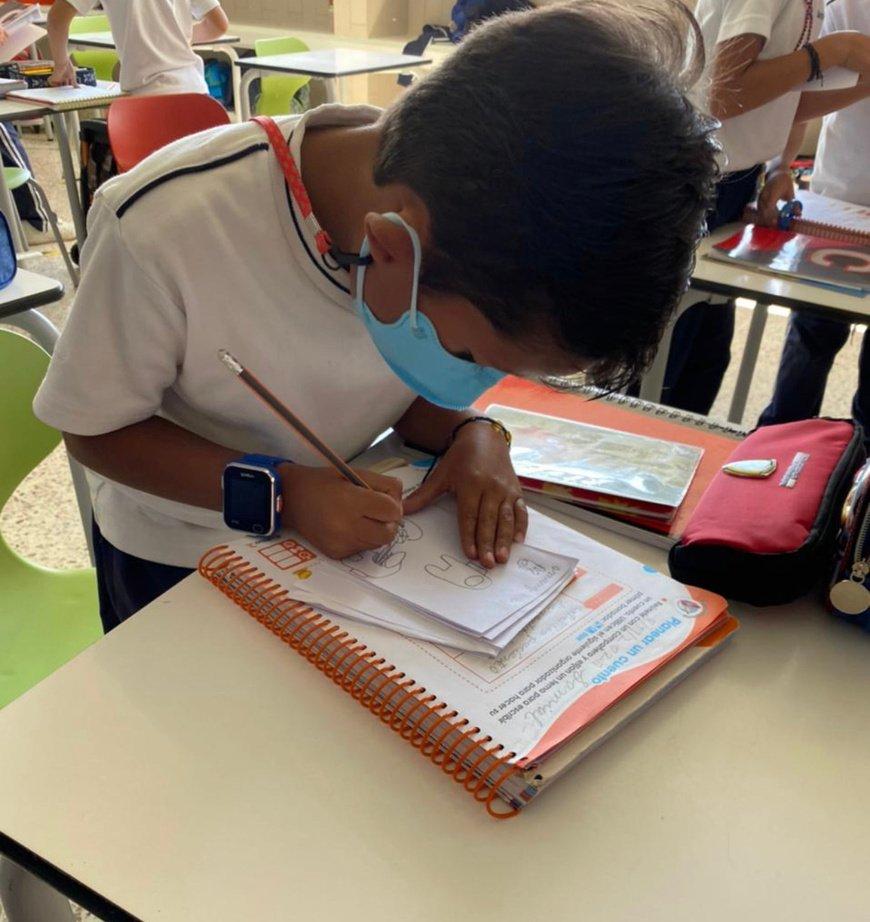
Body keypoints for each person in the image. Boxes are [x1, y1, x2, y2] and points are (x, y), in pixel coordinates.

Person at [33, 0, 719, 632]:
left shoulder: (442, 229)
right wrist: (282, 493)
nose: (473, 380)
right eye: (469, 358)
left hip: (343, 544)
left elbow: (412, 390)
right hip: (180, 560)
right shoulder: (162, 227)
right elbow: (94, 428)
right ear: (392, 247)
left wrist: (471, 433)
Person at [649, 0, 870, 415]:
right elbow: (720, 93)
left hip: (732, 181)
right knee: (668, 364)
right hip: (700, 179)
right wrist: (830, 53)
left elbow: (786, 101)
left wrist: (777, 166)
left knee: (704, 360)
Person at [758, 0, 870, 437]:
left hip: (840, 190)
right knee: (813, 333)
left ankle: (860, 457)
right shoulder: (848, 7)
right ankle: (779, 438)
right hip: (841, 199)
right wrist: (780, 166)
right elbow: (802, 95)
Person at [47, 0, 229, 95]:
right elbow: (218, 25)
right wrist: (177, 39)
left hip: (146, 98)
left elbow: (57, 18)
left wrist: (61, 64)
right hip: (195, 90)